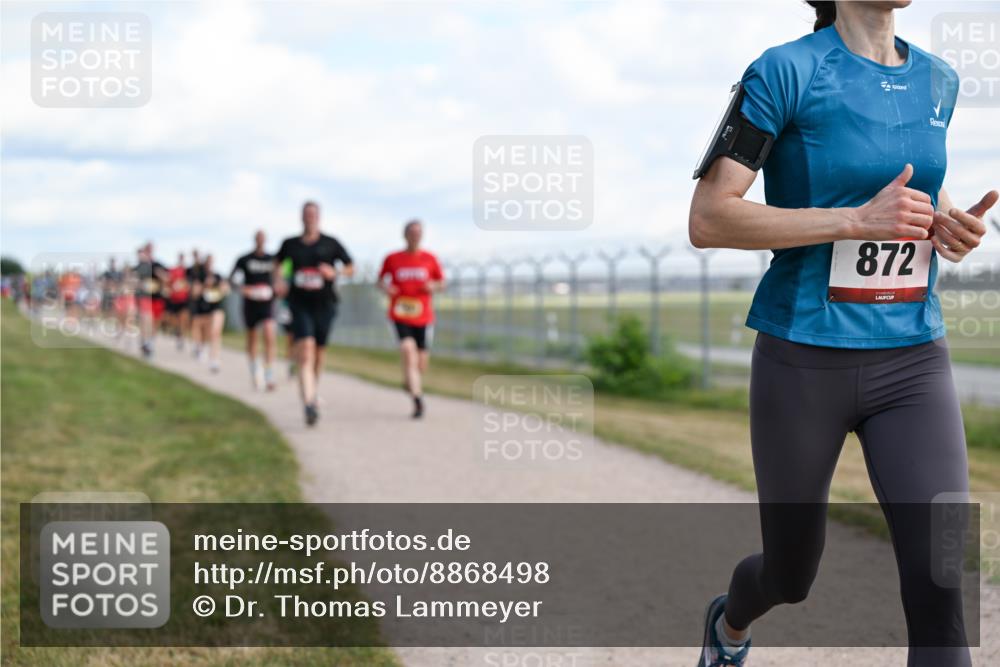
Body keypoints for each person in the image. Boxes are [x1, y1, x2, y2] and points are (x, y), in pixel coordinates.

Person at [688, 3, 997, 666]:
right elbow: (711, 219)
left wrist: (947, 224)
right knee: (790, 574)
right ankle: (730, 622)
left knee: (942, 581)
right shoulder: (783, 71)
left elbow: (907, 191)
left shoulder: (939, 80)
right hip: (803, 359)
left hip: (913, 358)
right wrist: (855, 221)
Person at [273, 201, 354, 426]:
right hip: (299, 304)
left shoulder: (331, 243)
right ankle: (308, 403)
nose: (310, 218)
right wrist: (278, 281)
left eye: (313, 214)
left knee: (318, 353)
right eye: (306, 214)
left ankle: (313, 390)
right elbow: (277, 264)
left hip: (325, 305)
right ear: (301, 217)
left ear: (319, 217)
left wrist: (334, 272)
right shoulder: (290, 244)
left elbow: (350, 267)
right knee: (306, 351)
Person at [377, 219, 444, 418]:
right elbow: (380, 281)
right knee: (408, 350)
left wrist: (433, 286)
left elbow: (441, 282)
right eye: (411, 232)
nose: (415, 236)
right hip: (400, 313)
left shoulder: (430, 258)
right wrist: (387, 288)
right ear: (405, 235)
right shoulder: (392, 258)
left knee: (420, 363)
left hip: (423, 316)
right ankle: (417, 400)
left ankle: (410, 382)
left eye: (418, 232)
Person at [231, 231, 278, 390]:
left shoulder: (272, 259)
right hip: (250, 304)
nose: (260, 241)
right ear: (254, 240)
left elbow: (282, 276)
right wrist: (244, 289)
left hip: (267, 303)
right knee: (252, 338)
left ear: (266, 240)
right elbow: (232, 280)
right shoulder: (244, 259)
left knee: (269, 334)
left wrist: (278, 287)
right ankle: (254, 371)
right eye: (258, 238)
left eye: (263, 238)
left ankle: (269, 373)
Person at [190, 254, 228, 373]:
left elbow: (225, 290)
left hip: (216, 308)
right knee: (204, 333)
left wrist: (222, 288)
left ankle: (214, 360)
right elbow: (194, 293)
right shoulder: (199, 277)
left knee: (215, 332)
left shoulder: (218, 276)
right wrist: (204, 286)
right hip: (202, 309)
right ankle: (200, 348)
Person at [134, 243, 169, 358]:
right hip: (145, 297)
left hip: (157, 297)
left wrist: (161, 276)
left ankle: (150, 342)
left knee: (155, 322)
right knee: (146, 318)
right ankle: (145, 342)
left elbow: (167, 278)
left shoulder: (158, 265)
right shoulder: (140, 266)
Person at [164, 252, 191, 350]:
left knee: (183, 319)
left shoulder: (187, 271)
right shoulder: (173, 270)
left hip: (184, 299)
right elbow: (167, 282)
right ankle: (177, 331)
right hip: (173, 299)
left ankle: (181, 337)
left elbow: (190, 283)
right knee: (173, 320)